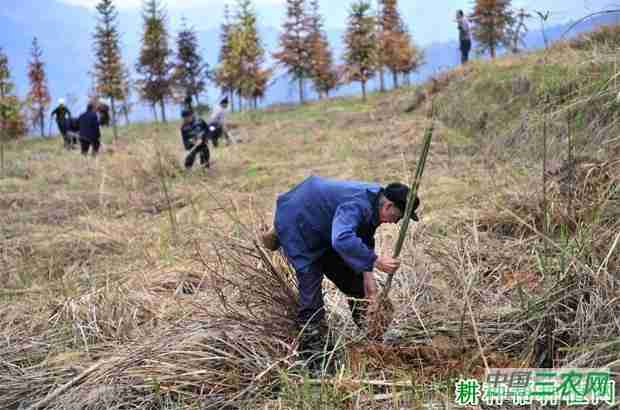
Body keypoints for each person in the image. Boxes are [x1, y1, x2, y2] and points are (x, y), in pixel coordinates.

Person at [261, 176, 420, 355]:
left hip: (326, 225)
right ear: (388, 206)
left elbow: (364, 237)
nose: (395, 222)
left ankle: (373, 337)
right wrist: (376, 260)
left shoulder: (376, 200)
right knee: (311, 293)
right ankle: (312, 354)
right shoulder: (358, 205)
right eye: (397, 217)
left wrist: (370, 283)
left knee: (357, 286)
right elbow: (341, 239)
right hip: (299, 224)